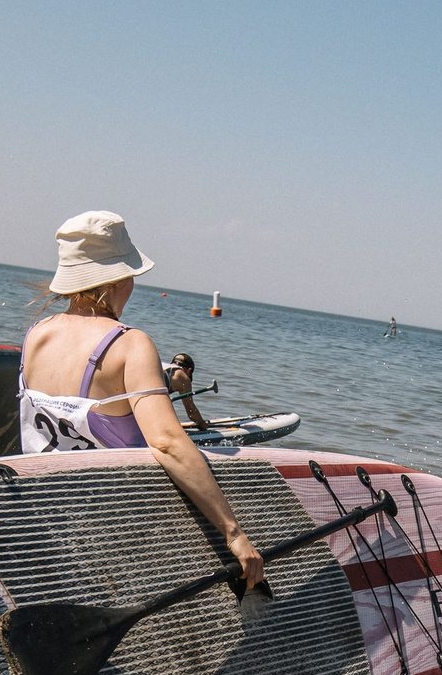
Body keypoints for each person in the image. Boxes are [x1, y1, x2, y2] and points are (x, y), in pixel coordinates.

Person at [17, 211, 263, 587]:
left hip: (45, 514)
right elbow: (167, 443)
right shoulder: (130, 344)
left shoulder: (37, 334)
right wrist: (234, 533)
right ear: (117, 279)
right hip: (114, 529)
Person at [165, 351, 214, 431]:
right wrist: (203, 424)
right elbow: (191, 412)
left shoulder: (162, 366)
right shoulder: (182, 376)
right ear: (189, 370)